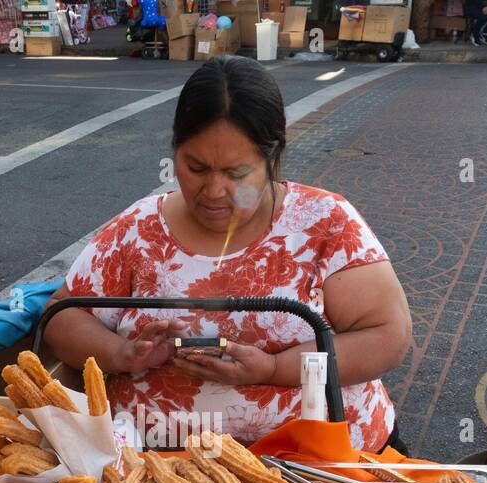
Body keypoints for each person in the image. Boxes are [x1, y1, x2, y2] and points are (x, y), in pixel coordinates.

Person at [42, 56, 413, 453]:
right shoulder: (138, 229)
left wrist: (273, 368)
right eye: (196, 167)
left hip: (316, 468)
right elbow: (61, 316)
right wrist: (123, 353)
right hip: (160, 472)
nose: (214, 191)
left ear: (272, 159)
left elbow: (388, 336)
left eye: (236, 174)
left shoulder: (326, 224)